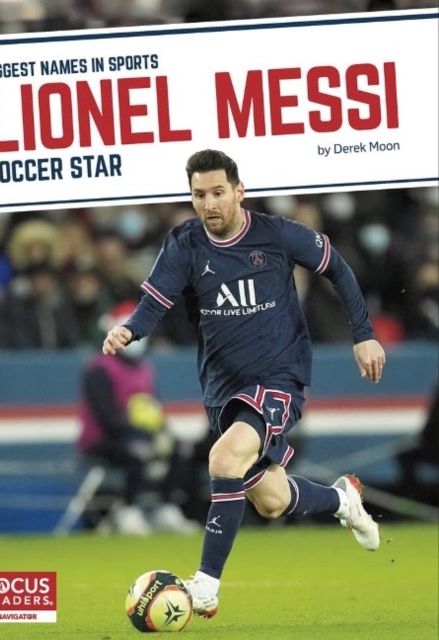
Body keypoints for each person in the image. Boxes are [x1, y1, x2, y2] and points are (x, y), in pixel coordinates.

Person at [102, 149, 386, 617]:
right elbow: (154, 303)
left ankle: (206, 586)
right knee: (272, 500)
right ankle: (344, 500)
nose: (209, 203)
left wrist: (364, 334)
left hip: (279, 376)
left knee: (223, 457)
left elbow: (337, 267)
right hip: (222, 389)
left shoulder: (277, 234)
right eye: (199, 195)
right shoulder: (184, 243)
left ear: (239, 192)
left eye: (218, 192)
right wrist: (129, 330)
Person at [79, 300, 199, 535]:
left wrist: (162, 433)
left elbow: (155, 409)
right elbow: (106, 418)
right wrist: (141, 434)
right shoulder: (99, 369)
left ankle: (166, 507)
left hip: (140, 434)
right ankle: (128, 509)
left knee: (179, 449)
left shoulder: (145, 369)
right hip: (103, 440)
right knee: (138, 451)